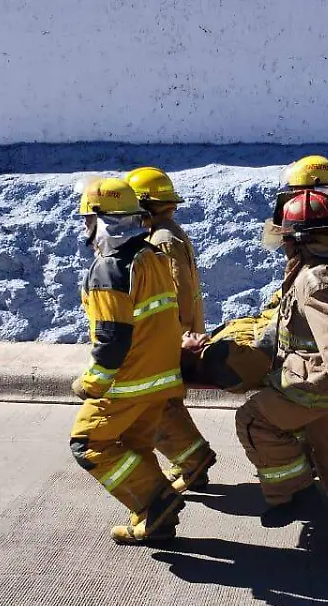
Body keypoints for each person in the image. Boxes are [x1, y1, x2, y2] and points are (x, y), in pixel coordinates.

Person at [235, 189, 328, 555]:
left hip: (313, 385)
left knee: (253, 420)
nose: (283, 247)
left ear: (299, 241)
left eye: (286, 239)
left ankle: (293, 490)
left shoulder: (314, 279)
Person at [68, 177, 188, 546]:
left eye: (89, 221)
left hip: (127, 382)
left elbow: (112, 340)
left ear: (100, 223)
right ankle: (153, 521)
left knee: (88, 444)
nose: (86, 229)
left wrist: (91, 383)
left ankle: (158, 499)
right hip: (160, 380)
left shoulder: (109, 270)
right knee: (133, 447)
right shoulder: (150, 256)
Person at [125, 166, 217, 494]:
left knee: (154, 403)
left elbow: (177, 294)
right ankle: (192, 462)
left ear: (145, 205)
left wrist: (170, 337)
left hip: (169, 338)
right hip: (173, 336)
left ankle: (193, 461)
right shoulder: (167, 232)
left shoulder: (162, 238)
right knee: (166, 402)